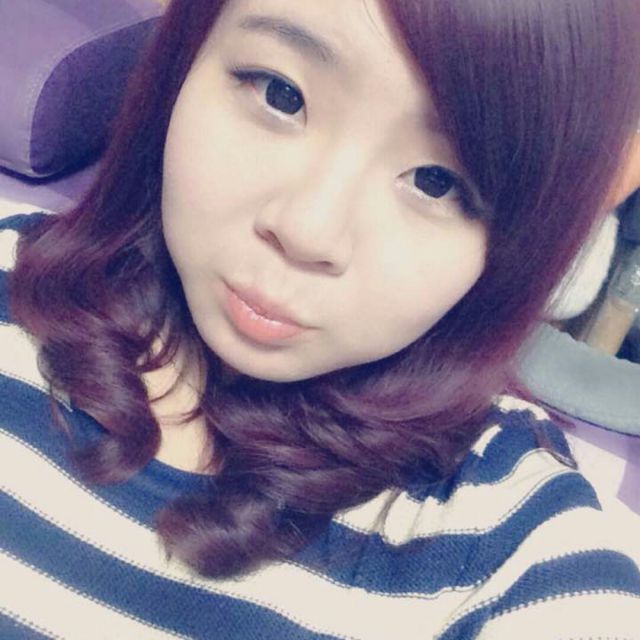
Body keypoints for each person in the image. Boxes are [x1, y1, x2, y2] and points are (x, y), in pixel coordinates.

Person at [1, 0, 640, 638]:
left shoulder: (503, 531)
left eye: (437, 183)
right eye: (280, 94)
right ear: (186, 57)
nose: (308, 231)